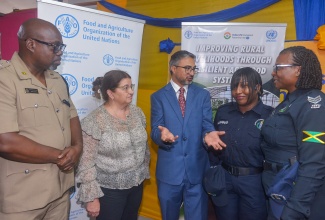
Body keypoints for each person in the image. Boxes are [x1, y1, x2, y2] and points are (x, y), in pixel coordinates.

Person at [0, 18, 83, 219]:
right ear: (31, 44)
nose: (60, 51)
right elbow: (6, 141)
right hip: (24, 199)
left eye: (61, 46)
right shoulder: (5, 80)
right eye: (55, 46)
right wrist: (61, 156)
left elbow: (72, 117)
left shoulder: (57, 80)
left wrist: (77, 148)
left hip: (60, 192)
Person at [150, 50, 226, 220]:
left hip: (196, 171)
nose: (191, 73)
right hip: (170, 172)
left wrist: (208, 134)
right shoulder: (159, 97)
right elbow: (155, 130)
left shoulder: (202, 95)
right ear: (173, 68)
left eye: (194, 69)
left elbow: (207, 123)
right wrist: (161, 136)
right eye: (187, 68)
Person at [76, 70, 150, 220]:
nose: (131, 91)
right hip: (109, 192)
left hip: (136, 185)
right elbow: (86, 163)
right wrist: (92, 198)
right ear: (110, 93)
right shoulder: (94, 121)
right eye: (125, 88)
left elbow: (143, 147)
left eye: (131, 86)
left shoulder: (137, 113)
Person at [261, 46, 325, 219]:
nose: (273, 73)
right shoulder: (289, 102)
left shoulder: (314, 105)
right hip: (278, 189)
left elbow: (314, 164)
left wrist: (295, 209)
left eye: (278, 68)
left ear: (298, 70)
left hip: (294, 197)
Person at [210, 67, 273, 220]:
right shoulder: (223, 111)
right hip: (225, 179)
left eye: (243, 86)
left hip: (254, 182)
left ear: (257, 88)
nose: (238, 91)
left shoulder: (270, 115)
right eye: (234, 87)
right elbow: (213, 141)